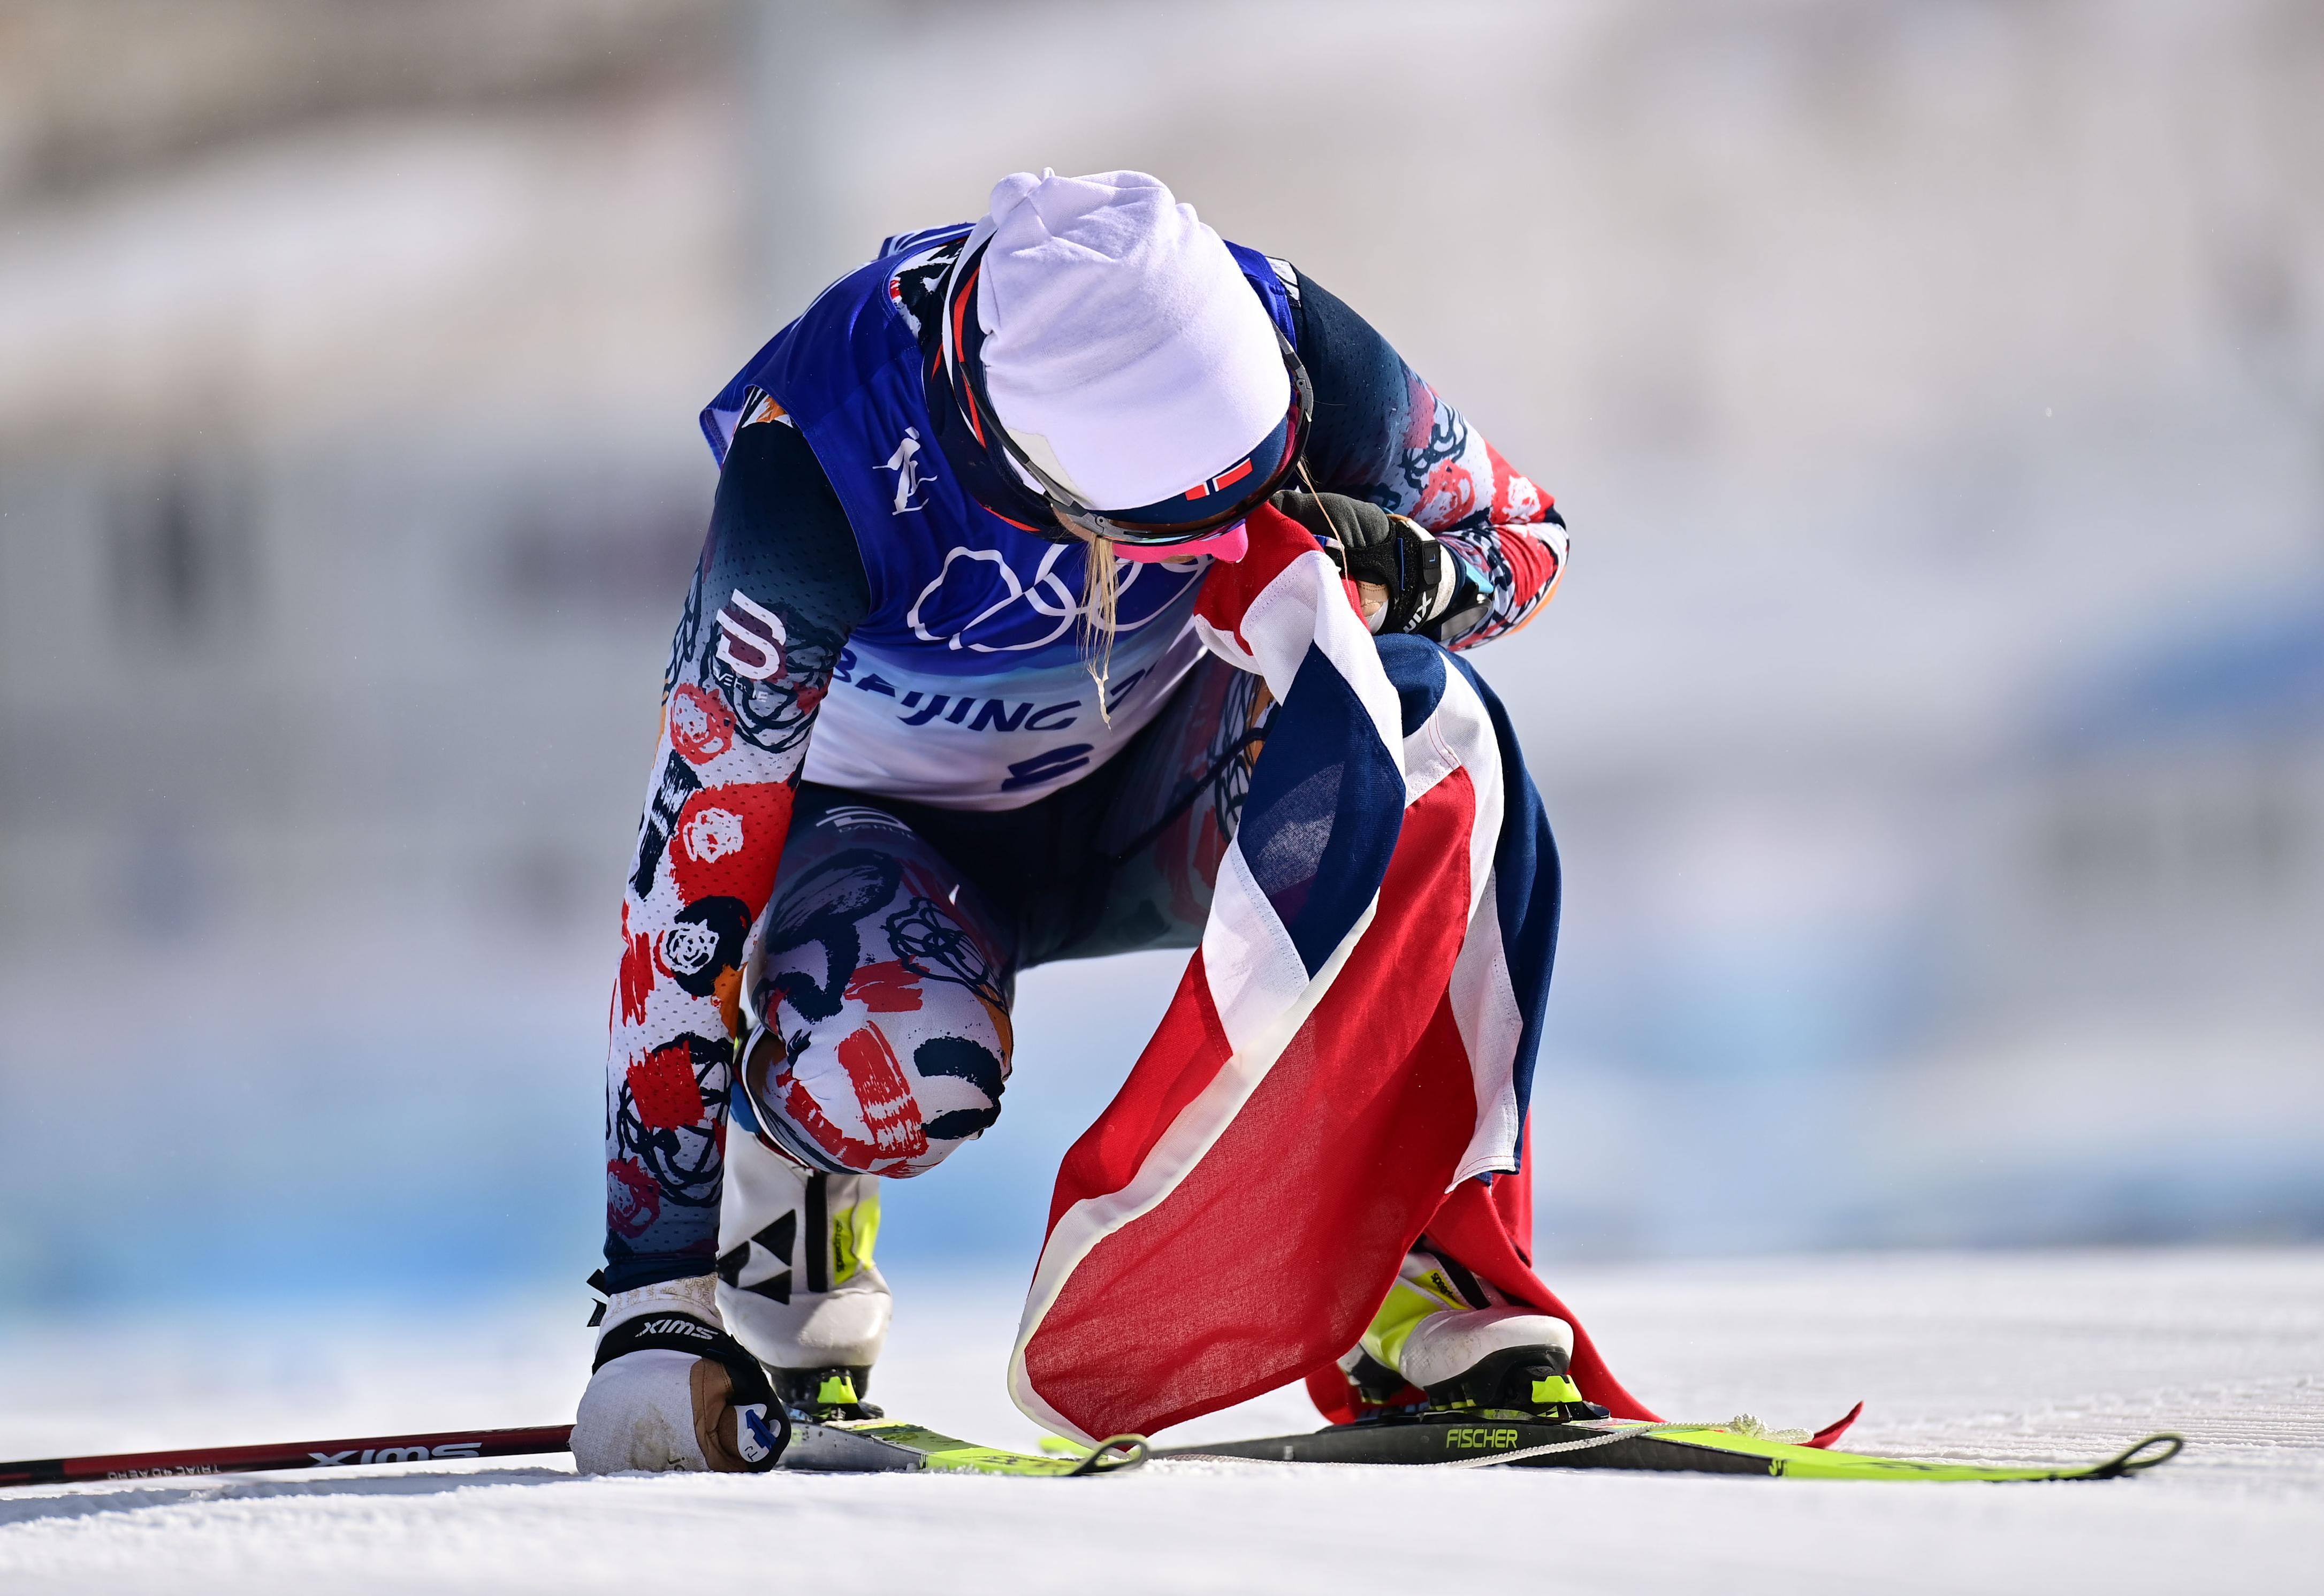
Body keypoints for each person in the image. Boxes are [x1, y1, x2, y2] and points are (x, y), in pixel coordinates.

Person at [573, 170, 1630, 1473]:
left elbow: (1530, 533)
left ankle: (1429, 1262)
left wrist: (1414, 572)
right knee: (900, 1063)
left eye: (1250, 489)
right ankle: (777, 1217)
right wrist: (649, 1297)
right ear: (1037, 474)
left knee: (1429, 730)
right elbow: (687, 885)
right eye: (1176, 521)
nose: (1224, 536)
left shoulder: (1287, 331)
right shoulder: (818, 470)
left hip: (1160, 789)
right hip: (893, 851)